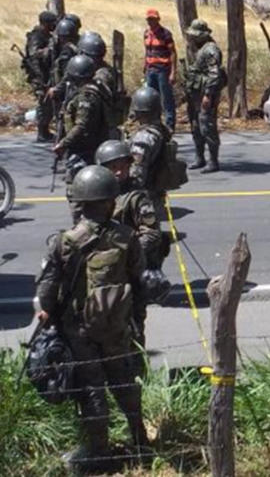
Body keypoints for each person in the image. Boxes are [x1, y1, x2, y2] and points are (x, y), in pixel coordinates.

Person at [34, 165, 149, 474]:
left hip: (80, 330)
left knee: (92, 388)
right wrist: (136, 322)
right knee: (123, 379)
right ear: (111, 202)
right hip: (116, 326)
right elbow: (141, 284)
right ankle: (141, 442)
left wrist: (47, 312)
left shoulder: (64, 242)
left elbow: (46, 291)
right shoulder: (127, 238)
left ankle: (99, 453)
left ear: (80, 203)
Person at [95, 140, 170, 306]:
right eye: (113, 167)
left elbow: (151, 233)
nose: (119, 172)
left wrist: (128, 253)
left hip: (128, 265)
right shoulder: (98, 192)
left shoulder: (136, 197)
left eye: (124, 167)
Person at [54, 55, 113, 224]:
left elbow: (81, 126)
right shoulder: (92, 90)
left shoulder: (87, 96)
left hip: (84, 150)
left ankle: (81, 226)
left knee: (77, 191)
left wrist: (63, 144)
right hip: (88, 148)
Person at [184, 19, 224, 173]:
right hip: (195, 95)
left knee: (207, 126)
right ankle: (199, 157)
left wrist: (208, 95)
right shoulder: (199, 49)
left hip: (205, 95)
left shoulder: (211, 50)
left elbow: (215, 74)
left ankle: (213, 161)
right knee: (195, 126)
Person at [127, 86, 172, 206]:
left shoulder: (143, 138)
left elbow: (137, 174)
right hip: (156, 192)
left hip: (143, 198)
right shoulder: (161, 130)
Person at [23, 11, 58, 142]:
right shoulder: (36, 36)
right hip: (39, 76)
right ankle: (42, 132)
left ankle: (45, 130)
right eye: (51, 23)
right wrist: (50, 48)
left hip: (46, 73)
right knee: (44, 104)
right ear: (44, 24)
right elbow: (34, 55)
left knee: (49, 104)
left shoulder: (47, 35)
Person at [143, 9, 178, 131]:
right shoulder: (146, 33)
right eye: (149, 19)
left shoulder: (165, 34)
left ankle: (170, 124)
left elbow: (173, 53)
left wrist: (173, 72)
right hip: (150, 70)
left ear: (158, 19)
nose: (151, 21)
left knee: (166, 97)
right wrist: (145, 66)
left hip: (163, 70)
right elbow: (147, 51)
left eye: (153, 19)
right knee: (151, 97)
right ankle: (155, 123)